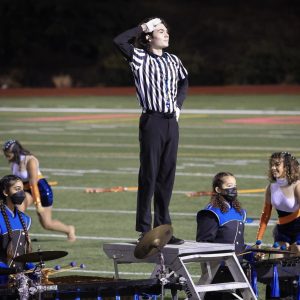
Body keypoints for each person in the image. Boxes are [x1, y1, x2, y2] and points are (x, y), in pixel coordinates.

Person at [113, 17, 188, 244]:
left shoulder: (174, 60)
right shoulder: (139, 57)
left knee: (167, 176)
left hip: (170, 123)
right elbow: (119, 41)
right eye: (161, 31)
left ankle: (163, 228)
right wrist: (144, 26)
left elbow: (184, 81)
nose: (166, 34)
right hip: (152, 121)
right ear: (149, 37)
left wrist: (178, 105)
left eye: (167, 31)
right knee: (149, 175)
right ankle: (145, 229)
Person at [2, 140, 76, 242]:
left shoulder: (30, 160)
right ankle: (20, 236)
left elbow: (33, 183)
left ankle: (69, 229)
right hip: (26, 189)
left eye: (8, 154)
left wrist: (38, 203)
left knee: (46, 224)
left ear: (15, 151)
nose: (6, 157)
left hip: (40, 189)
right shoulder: (14, 162)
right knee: (17, 209)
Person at [196, 172, 247, 300]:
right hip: (219, 268)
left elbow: (238, 241)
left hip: (237, 265)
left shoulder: (240, 212)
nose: (233, 190)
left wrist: (249, 251)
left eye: (235, 186)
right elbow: (204, 243)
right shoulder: (211, 213)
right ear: (218, 189)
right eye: (229, 186)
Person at [256, 152, 300, 252]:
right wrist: (259, 239)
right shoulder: (270, 188)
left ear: (286, 167)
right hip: (282, 230)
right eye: (272, 164)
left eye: (277, 164)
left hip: (299, 229)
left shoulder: (297, 185)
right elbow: (265, 215)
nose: (272, 168)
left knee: (297, 249)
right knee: (276, 254)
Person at [0, 175, 32, 273]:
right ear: (5, 192)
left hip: (19, 276)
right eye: (17, 189)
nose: (21, 193)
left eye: (22, 189)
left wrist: (33, 267)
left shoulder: (26, 219)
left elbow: (22, 254)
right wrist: (6, 270)